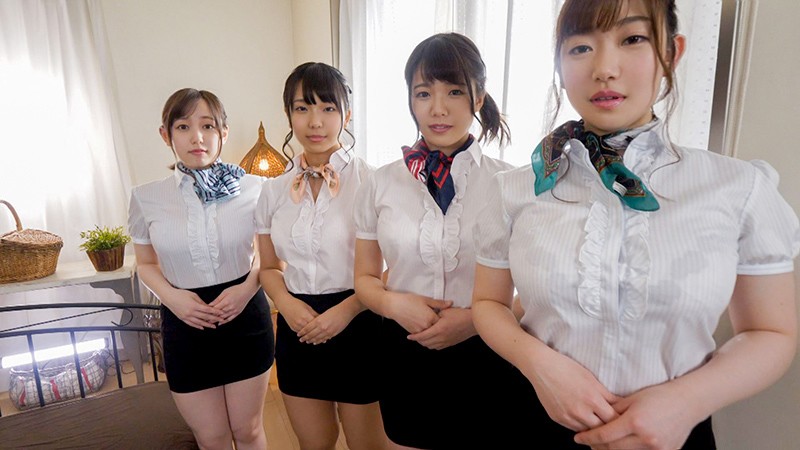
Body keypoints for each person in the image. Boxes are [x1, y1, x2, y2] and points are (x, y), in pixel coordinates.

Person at [472, 1, 800, 449]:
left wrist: (687, 401)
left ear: (671, 53)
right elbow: (488, 303)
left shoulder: (739, 187)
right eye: (580, 47)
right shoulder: (514, 188)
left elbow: (771, 331)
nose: (604, 69)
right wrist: (541, 366)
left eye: (632, 39)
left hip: (674, 434)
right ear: (559, 64)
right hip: (534, 420)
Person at [353, 33, 536, 449]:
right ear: (410, 100)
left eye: (454, 91)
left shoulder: (510, 183)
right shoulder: (380, 183)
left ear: (478, 96)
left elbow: (533, 292)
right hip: (403, 347)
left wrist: (473, 321)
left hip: (487, 349)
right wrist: (394, 304)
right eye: (423, 93)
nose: (438, 108)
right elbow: (364, 278)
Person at [129, 88, 274, 450]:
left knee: (248, 430)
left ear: (223, 132)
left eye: (208, 126)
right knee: (211, 438)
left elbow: (269, 257)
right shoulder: (146, 197)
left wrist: (246, 289)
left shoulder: (256, 188)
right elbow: (145, 264)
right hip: (184, 322)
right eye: (183, 126)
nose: (197, 137)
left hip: (245, 317)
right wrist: (174, 298)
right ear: (166, 135)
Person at [257, 62, 388, 450]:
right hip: (297, 326)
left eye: (328, 108)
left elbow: (395, 269)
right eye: (302, 108)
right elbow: (268, 267)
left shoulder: (374, 182)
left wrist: (346, 311)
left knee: (368, 446)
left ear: (346, 115)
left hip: (360, 322)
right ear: (289, 115)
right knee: (314, 444)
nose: (315, 122)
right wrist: (285, 304)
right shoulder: (272, 191)